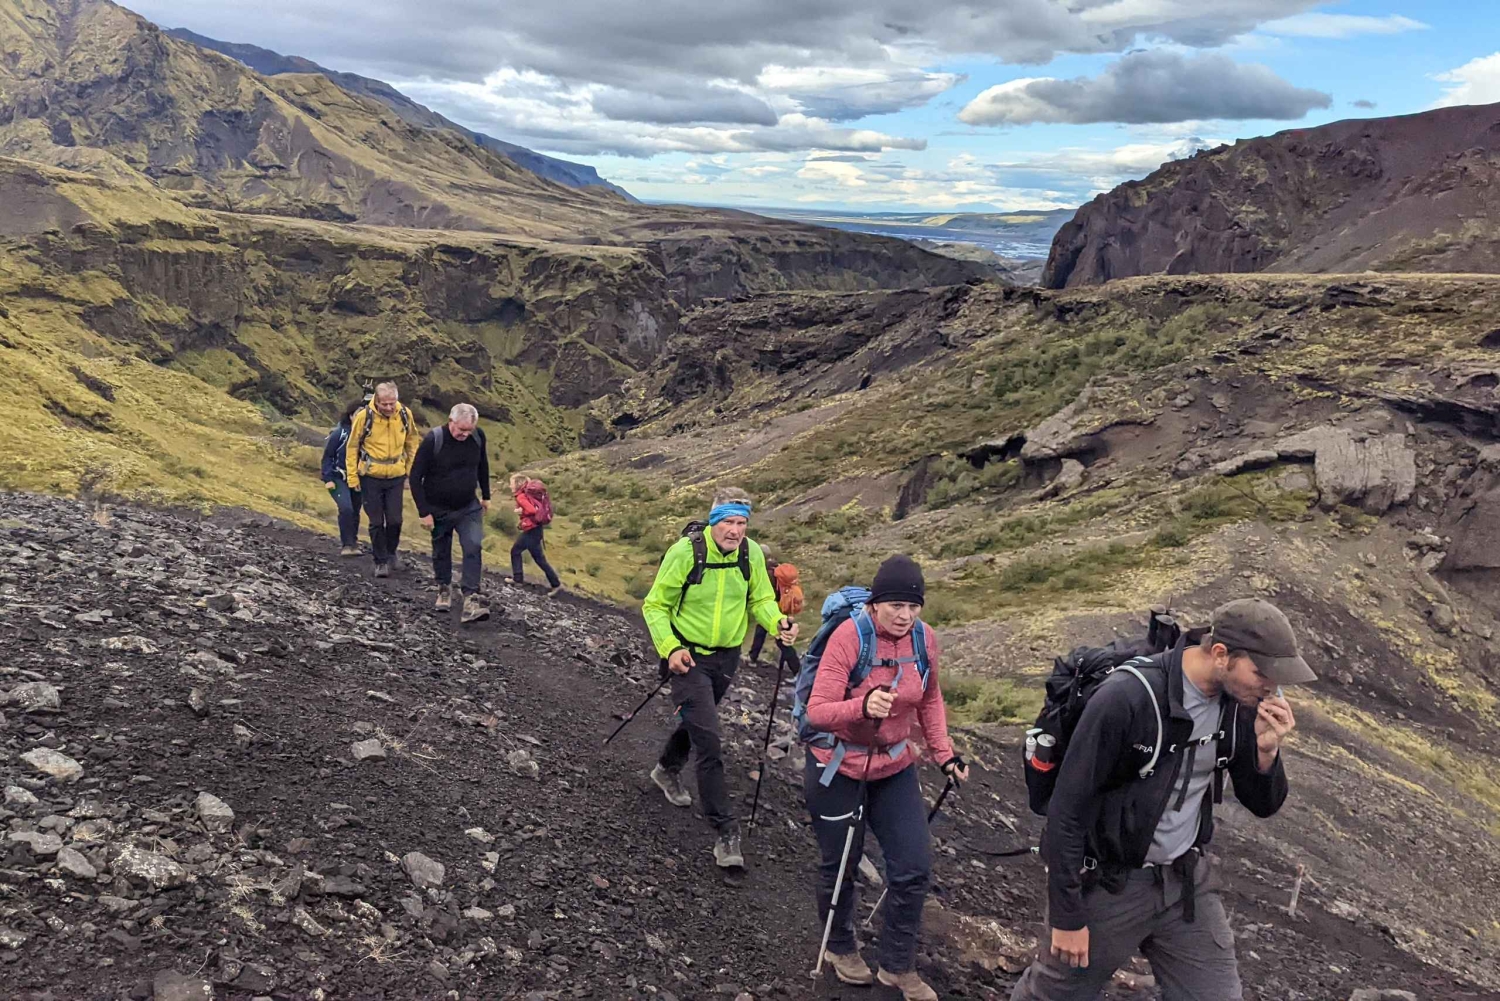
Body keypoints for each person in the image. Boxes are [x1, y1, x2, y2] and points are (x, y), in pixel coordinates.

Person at [1010, 598, 1315, 1001]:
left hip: (1186, 883)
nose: (1270, 687)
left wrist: (1266, 752)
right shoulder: (1126, 698)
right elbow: (1067, 811)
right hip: (1108, 883)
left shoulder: (1241, 705)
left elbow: (1262, 804)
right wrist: (1067, 917)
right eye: (1261, 673)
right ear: (1220, 654)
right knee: (1053, 994)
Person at [802, 555, 966, 1001]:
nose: (905, 615)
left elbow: (929, 698)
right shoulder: (848, 638)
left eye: (913, 607)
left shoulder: (924, 639)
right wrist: (861, 706)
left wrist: (944, 755)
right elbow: (817, 711)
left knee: (913, 868)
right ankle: (839, 947)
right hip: (837, 765)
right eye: (895, 605)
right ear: (875, 604)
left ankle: (897, 967)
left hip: (894, 765)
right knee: (841, 865)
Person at [641, 487, 798, 869]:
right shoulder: (686, 553)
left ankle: (666, 769)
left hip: (727, 657)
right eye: (728, 521)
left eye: (741, 522)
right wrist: (670, 648)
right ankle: (726, 831)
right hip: (686, 655)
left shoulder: (752, 553)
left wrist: (777, 623)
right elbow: (655, 605)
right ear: (714, 522)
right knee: (710, 740)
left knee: (698, 722)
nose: (735, 530)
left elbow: (760, 599)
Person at [409, 403, 491, 623]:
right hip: (438, 508)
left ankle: (471, 597)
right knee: (441, 549)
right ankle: (444, 588)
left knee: (473, 545)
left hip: (468, 507)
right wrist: (423, 512)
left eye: (469, 430)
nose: (464, 434)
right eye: (461, 430)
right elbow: (415, 477)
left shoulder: (477, 437)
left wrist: (486, 495)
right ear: (450, 421)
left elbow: (483, 465)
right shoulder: (434, 440)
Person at [345, 383, 421, 578]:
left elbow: (412, 441)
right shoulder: (364, 417)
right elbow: (352, 446)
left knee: (395, 520)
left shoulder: (404, 414)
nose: (389, 408)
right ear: (376, 401)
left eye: (392, 403)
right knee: (376, 522)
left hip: (396, 475)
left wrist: (410, 472)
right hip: (371, 476)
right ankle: (380, 561)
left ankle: (390, 552)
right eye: (384, 404)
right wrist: (353, 477)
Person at [321, 399, 365, 557]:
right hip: (338, 478)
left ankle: (353, 541)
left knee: (355, 511)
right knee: (346, 508)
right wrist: (328, 479)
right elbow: (327, 457)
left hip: (358, 479)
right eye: (358, 414)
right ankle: (347, 545)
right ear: (351, 416)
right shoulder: (340, 434)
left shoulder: (366, 437)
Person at [507, 473, 562, 595]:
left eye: (511, 483)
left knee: (515, 551)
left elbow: (532, 510)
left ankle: (518, 579)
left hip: (531, 531)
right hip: (537, 529)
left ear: (517, 484)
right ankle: (555, 584)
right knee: (539, 559)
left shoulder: (521, 496)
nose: (510, 486)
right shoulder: (526, 495)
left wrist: (520, 511)